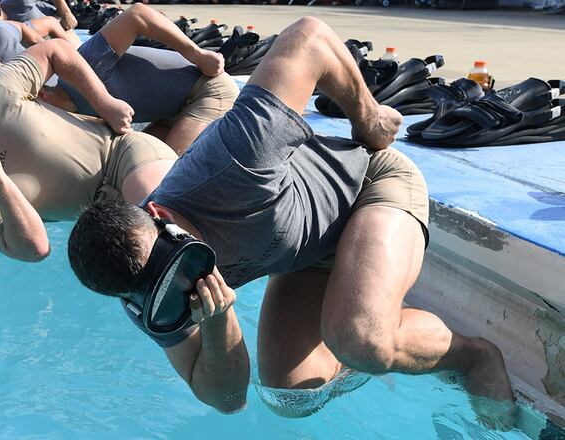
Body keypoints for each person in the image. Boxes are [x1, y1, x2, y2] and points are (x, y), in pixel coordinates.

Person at [66, 17, 515, 429]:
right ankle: (376, 329)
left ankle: (471, 356)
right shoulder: (146, 290)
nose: (187, 284)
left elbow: (309, 37)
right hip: (306, 253)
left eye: (182, 264)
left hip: (368, 187)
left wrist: (369, 118)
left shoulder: (235, 159)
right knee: (291, 397)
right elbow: (227, 400)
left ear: (160, 217)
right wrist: (218, 322)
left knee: (360, 339)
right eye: (170, 293)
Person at [0, 40, 177, 264]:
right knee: (144, 266)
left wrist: (105, 103)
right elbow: (36, 249)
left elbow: (55, 51)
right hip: (105, 217)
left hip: (122, 156)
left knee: (161, 232)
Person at [0, 3, 238, 153]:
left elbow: (138, 15)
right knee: (134, 170)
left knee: (165, 185)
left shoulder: (84, 70)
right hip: (169, 114)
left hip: (205, 91)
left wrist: (196, 54)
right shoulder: (72, 117)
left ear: (42, 95)